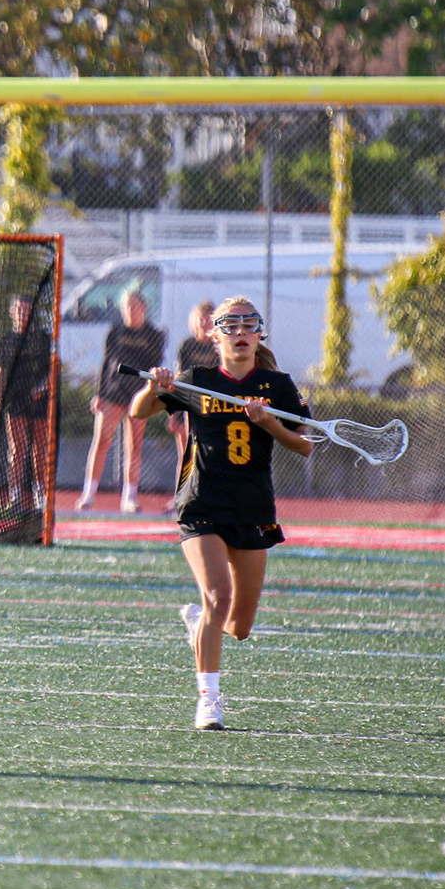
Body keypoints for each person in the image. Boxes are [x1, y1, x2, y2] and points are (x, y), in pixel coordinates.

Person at [128, 297, 311, 731]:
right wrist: (156, 386)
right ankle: (208, 700)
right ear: (215, 335)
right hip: (202, 504)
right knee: (217, 597)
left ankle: (201, 625)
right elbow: (138, 411)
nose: (240, 332)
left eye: (249, 324)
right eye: (231, 325)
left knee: (239, 626)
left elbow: (304, 444)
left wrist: (269, 424)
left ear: (260, 334)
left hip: (252, 508)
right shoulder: (199, 380)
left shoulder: (278, 385)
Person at [75, 287, 165, 513]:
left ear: (144, 307)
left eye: (134, 305)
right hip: (113, 393)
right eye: (126, 306)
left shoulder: (154, 334)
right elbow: (107, 363)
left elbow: (154, 366)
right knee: (102, 440)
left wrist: (150, 396)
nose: (130, 310)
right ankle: (88, 494)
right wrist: (99, 393)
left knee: (134, 445)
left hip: (138, 395)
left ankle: (129, 497)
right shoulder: (115, 331)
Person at [0, 292, 56, 512]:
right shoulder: (6, 340)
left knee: (40, 449)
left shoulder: (44, 339)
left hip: (40, 400)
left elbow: (53, 370)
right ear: (12, 312)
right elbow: (0, 374)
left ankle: (40, 494)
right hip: (15, 401)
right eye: (19, 309)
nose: (23, 313)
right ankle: (15, 495)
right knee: (17, 450)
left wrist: (42, 388)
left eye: (27, 309)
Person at [169, 299, 220, 502]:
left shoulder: (219, 346)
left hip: (213, 407)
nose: (204, 324)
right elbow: (179, 378)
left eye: (209, 320)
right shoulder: (187, 345)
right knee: (186, 451)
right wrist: (174, 411)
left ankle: (208, 495)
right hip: (189, 405)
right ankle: (182, 495)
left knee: (210, 452)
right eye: (201, 319)